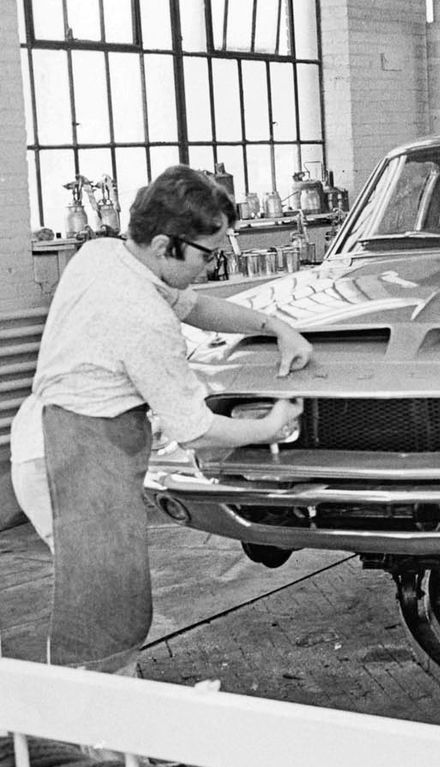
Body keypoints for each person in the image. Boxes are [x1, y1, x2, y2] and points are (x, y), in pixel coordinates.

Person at [8, 164, 313, 676]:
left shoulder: (106, 253)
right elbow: (196, 428)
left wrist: (273, 324)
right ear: (166, 244)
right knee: (104, 608)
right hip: (69, 452)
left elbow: (193, 307)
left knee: (107, 597)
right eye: (208, 254)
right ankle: (102, 743)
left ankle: (111, 725)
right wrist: (272, 425)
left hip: (55, 431)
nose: (213, 265)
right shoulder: (138, 316)